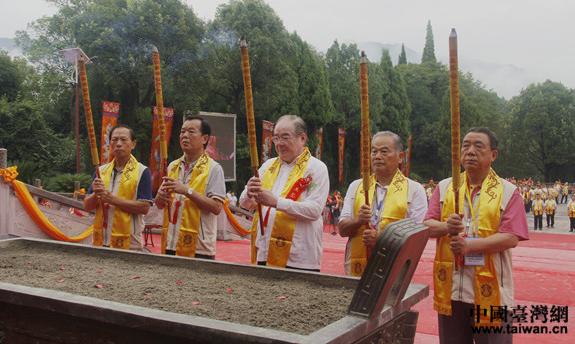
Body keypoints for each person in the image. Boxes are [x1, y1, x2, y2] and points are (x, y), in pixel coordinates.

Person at [423, 127, 529, 343]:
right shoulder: (445, 187)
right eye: (466, 146)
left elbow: (511, 237)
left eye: (478, 146)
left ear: (493, 155)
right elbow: (426, 226)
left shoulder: (508, 191)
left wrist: (470, 247)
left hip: (493, 294)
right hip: (451, 291)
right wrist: (446, 227)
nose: (470, 151)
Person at [239, 115, 329, 271]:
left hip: (299, 256)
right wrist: (249, 192)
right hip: (265, 251)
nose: (279, 143)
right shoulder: (268, 166)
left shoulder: (316, 168)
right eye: (276, 138)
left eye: (285, 138)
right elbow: (245, 204)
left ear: (302, 138)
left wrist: (276, 202)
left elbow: (314, 210)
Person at [338, 131, 427, 276]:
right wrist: (359, 220)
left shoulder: (414, 190)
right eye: (374, 151)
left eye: (384, 151)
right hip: (357, 267)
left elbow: (417, 239)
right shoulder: (357, 186)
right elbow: (342, 230)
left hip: (394, 270)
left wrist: (380, 239)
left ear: (400, 157)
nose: (377, 156)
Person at [154, 115, 226, 259]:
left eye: (191, 132)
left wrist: (187, 191)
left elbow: (217, 207)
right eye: (182, 132)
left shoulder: (214, 169)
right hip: (170, 243)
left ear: (204, 139)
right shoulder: (172, 166)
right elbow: (160, 205)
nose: (185, 136)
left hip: (199, 247)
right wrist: (160, 197)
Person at [83, 124, 153, 251]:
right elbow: (87, 207)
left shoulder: (142, 171)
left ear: (133, 144)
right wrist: (95, 194)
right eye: (114, 140)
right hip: (100, 240)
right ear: (110, 144)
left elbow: (144, 207)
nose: (118, 144)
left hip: (129, 242)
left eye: (123, 140)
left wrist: (111, 199)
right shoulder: (101, 171)